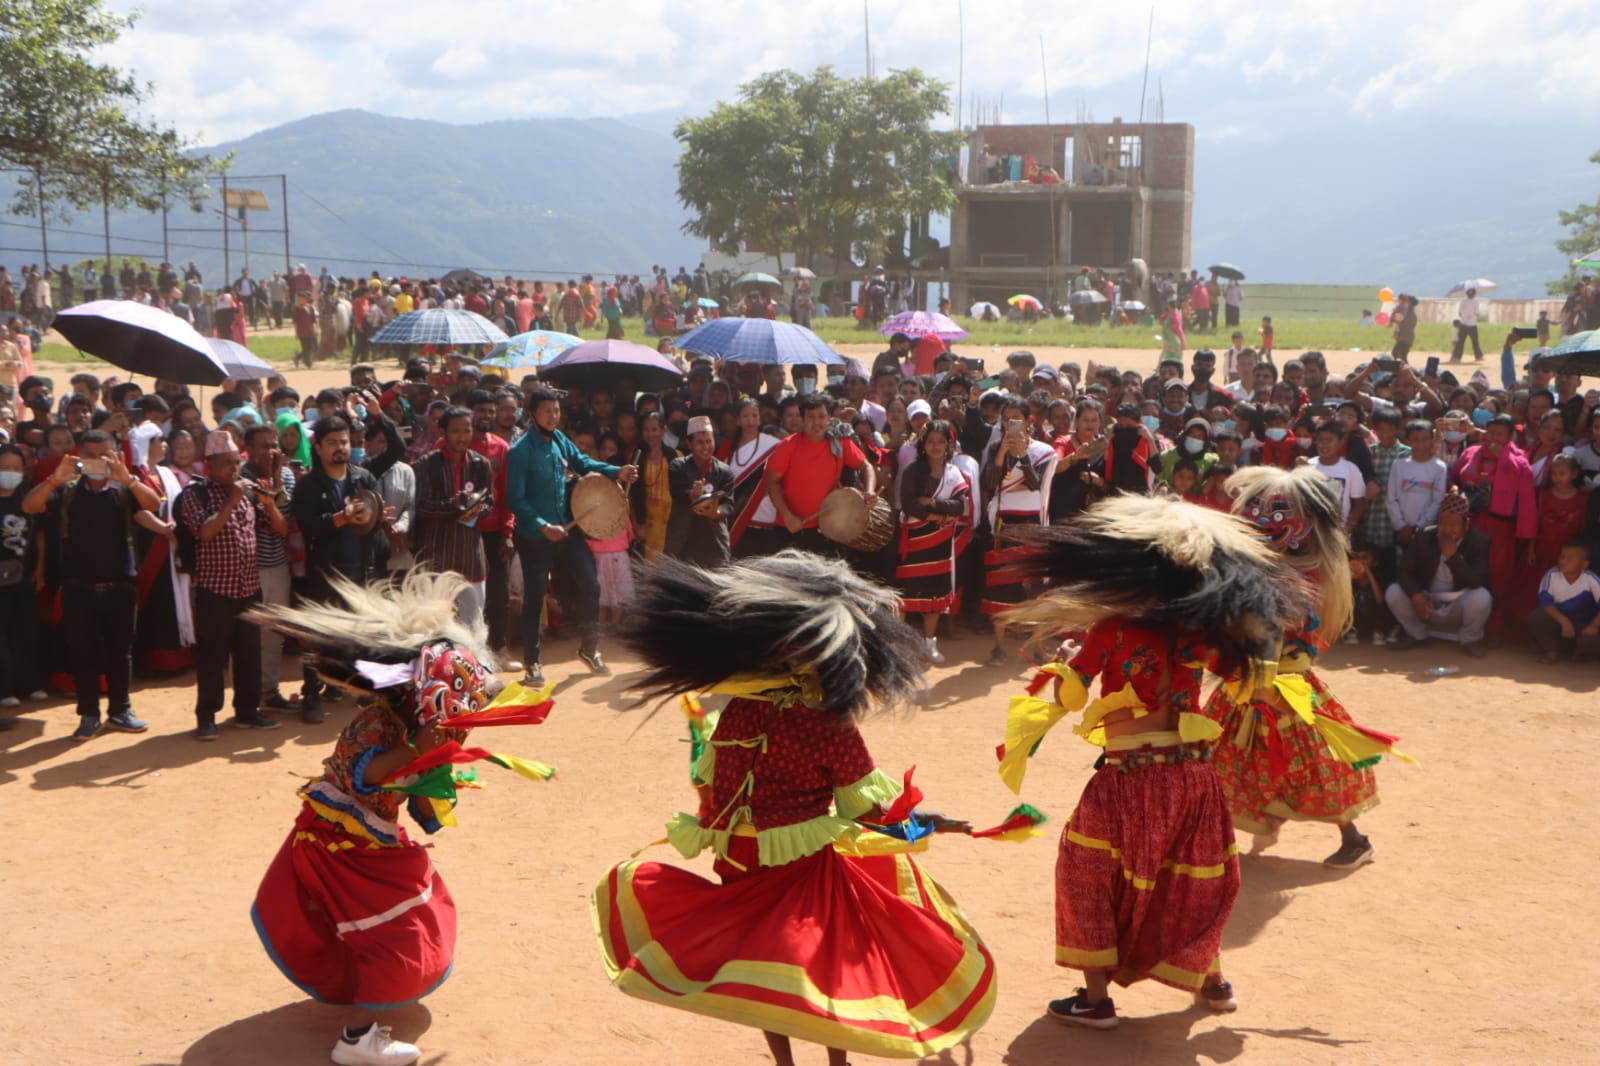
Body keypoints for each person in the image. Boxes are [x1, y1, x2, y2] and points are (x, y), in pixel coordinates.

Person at [594, 552, 997, 1063]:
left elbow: (711, 784)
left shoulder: (740, 709)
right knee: (822, 967)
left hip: (738, 859)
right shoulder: (828, 724)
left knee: (760, 966)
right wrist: (925, 823)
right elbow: (867, 815)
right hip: (797, 864)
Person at [997, 495, 1309, 1026]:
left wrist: (1062, 670)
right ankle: (1214, 983)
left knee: (1085, 873)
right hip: (1193, 778)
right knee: (1193, 879)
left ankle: (1095, 1002)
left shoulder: (1111, 630)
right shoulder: (1200, 635)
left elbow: (1070, 701)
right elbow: (1250, 688)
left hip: (1130, 778)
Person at [247, 572, 555, 1066]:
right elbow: (367, 774)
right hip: (339, 847)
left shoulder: (407, 723)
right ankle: (356, 1039)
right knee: (399, 932)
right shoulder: (377, 723)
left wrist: (434, 762)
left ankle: (363, 1000)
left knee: (400, 915)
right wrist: (425, 748)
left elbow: (421, 797)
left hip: (359, 841)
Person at [1206, 466, 1412, 868]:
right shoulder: (1270, 570)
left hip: (1285, 685)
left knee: (1314, 761)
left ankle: (1355, 840)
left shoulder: (1304, 576)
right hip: (1250, 680)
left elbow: (1275, 626)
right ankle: (1228, 829)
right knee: (1226, 757)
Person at [23, 431, 161, 740]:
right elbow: (30, 506)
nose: (98, 460)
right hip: (78, 589)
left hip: (121, 587)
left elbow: (153, 506)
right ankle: (88, 714)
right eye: (91, 454)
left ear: (115, 456)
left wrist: (129, 480)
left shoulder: (124, 491)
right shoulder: (68, 491)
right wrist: (54, 481)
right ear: (79, 456)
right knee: (83, 654)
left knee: (120, 653)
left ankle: (120, 711)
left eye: (104, 454)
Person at [505, 386, 638, 688]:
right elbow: (516, 500)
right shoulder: (519, 452)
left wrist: (616, 471)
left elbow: (585, 464)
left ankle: (589, 649)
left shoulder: (560, 440)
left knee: (592, 584)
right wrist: (542, 526)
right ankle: (533, 663)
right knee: (535, 597)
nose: (554, 416)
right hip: (535, 538)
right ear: (532, 414)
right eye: (547, 411)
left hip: (567, 531)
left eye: (557, 411)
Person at [178, 431, 288, 739]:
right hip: (216, 589)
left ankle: (248, 711)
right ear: (210, 464)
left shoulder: (251, 492)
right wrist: (232, 499)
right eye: (226, 463)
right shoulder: (195, 494)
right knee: (213, 656)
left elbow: (280, 529)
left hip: (248, 587)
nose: (233, 469)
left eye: (236, 462)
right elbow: (204, 533)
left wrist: (268, 504)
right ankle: (207, 716)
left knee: (248, 652)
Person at [291, 416, 386, 723]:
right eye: (331, 443)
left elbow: (373, 520)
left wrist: (379, 518)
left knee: (361, 635)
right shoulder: (308, 486)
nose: (340, 448)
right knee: (319, 636)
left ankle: (355, 690)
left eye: (344, 442)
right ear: (317, 448)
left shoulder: (363, 478)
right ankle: (311, 696)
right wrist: (340, 519)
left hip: (361, 568)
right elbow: (309, 527)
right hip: (325, 573)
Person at [744, 393, 875, 556]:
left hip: (827, 530)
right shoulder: (787, 446)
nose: (817, 422)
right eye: (811, 417)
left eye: (821, 416)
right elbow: (771, 482)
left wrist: (869, 491)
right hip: (788, 528)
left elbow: (866, 466)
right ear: (803, 420)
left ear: (829, 419)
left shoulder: (840, 443)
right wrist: (787, 516)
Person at [981, 395, 1057, 664]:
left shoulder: (1043, 452)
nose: (1009, 424)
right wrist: (1002, 453)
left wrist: (1023, 456)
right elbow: (991, 483)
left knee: (1033, 586)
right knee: (1001, 584)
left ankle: (1037, 645)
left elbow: (1036, 485)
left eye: (1015, 419)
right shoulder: (994, 449)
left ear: (1028, 421)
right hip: (1005, 523)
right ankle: (999, 646)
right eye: (1005, 419)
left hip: (1032, 525)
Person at [894, 419, 973, 664]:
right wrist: (937, 515)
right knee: (905, 596)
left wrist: (935, 503)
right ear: (923, 444)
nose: (936, 446)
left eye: (941, 442)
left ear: (949, 445)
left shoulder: (954, 473)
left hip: (940, 542)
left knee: (935, 595)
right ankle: (898, 647)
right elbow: (908, 503)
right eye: (931, 441)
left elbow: (960, 505)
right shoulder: (912, 470)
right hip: (915, 539)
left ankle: (929, 644)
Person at [411, 406, 494, 629]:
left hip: (470, 558)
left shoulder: (480, 465)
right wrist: (453, 505)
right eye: (456, 431)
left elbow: (490, 502)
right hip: (437, 559)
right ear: (443, 433)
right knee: (434, 628)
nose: (462, 437)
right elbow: (419, 506)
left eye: (467, 431)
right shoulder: (426, 465)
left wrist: (477, 508)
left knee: (472, 626)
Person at [1386, 490, 1494, 653]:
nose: (1447, 529)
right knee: (1394, 592)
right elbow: (1404, 571)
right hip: (1427, 603)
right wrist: (1416, 595)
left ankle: (1469, 640)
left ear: (1466, 524)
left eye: (1454, 525)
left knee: (1482, 597)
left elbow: (1476, 581)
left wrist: (1452, 557)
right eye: (1443, 524)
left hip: (1458, 605)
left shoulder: (1479, 541)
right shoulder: (1424, 535)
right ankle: (1418, 635)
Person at [242, 425, 297, 711]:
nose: (271, 451)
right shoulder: (240, 477)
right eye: (264, 446)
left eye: (274, 445)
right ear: (248, 448)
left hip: (277, 565)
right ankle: (249, 698)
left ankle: (270, 690)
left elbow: (283, 523)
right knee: (248, 636)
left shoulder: (285, 475)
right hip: (248, 568)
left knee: (275, 632)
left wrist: (276, 479)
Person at [0, 446, 45, 718]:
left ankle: (30, 684)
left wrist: (40, 569)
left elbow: (39, 535)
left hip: (24, 577)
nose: (11, 473)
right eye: (5, 467)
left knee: (27, 631)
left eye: (16, 468)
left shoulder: (28, 498)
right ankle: (5, 689)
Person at [663, 415, 734, 566]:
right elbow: (676, 492)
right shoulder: (678, 466)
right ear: (689, 443)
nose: (706, 446)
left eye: (709, 441)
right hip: (682, 541)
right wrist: (693, 495)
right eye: (700, 442)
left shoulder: (724, 471)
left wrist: (716, 513)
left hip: (713, 542)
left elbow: (728, 504)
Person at [1527, 540, 1600, 663]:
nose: (1563, 561)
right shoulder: (1552, 575)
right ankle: (1552, 650)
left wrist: (1594, 625)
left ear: (1584, 564)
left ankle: (1578, 654)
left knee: (1590, 642)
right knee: (1537, 617)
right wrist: (1564, 621)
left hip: (1583, 626)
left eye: (1569, 559)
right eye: (1562, 557)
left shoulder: (1591, 579)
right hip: (1558, 623)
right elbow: (1545, 603)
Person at [1451, 287, 1484, 362]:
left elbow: (1459, 313)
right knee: (1475, 342)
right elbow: (1477, 313)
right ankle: (1478, 356)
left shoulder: (1463, 301)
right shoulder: (1476, 302)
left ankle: (1457, 357)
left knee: (1460, 342)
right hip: (1472, 324)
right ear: (1474, 294)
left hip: (1463, 324)